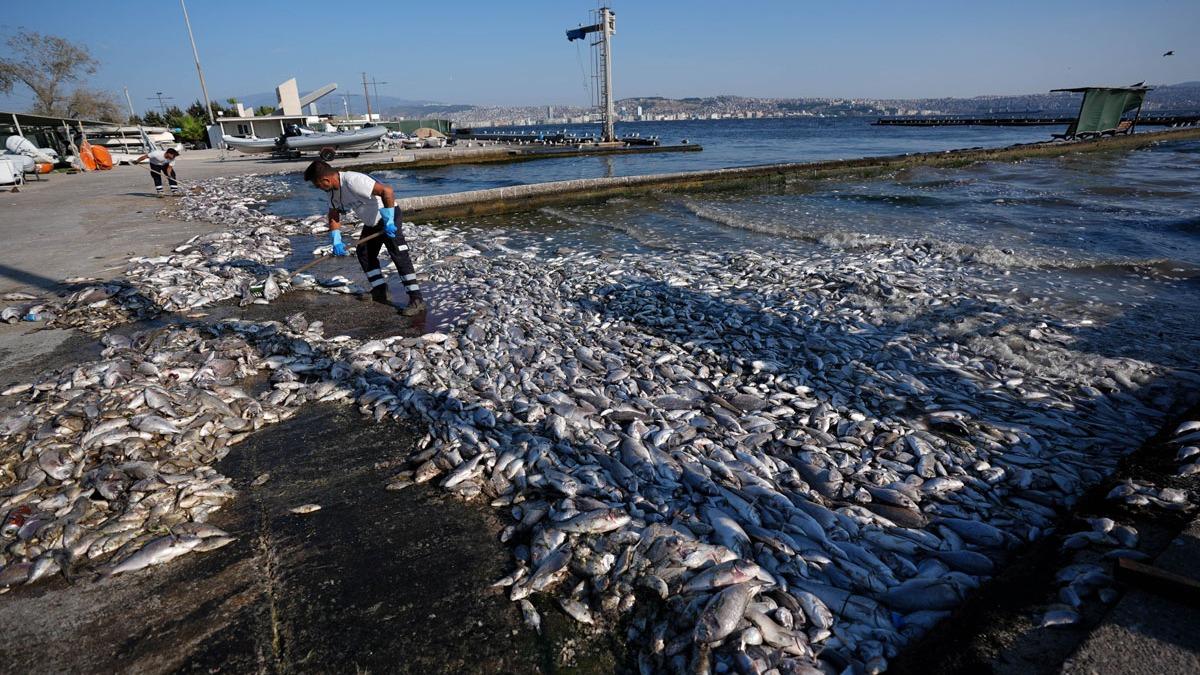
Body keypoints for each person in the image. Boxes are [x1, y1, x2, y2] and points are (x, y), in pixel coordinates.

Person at [303, 160, 425, 316]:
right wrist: (336, 239)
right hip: (371, 222)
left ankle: (416, 299)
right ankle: (379, 290)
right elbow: (334, 214)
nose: (318, 188)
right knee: (365, 253)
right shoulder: (332, 191)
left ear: (325, 180)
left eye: (317, 185)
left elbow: (387, 191)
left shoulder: (354, 181)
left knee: (399, 256)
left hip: (388, 217)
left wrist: (388, 220)